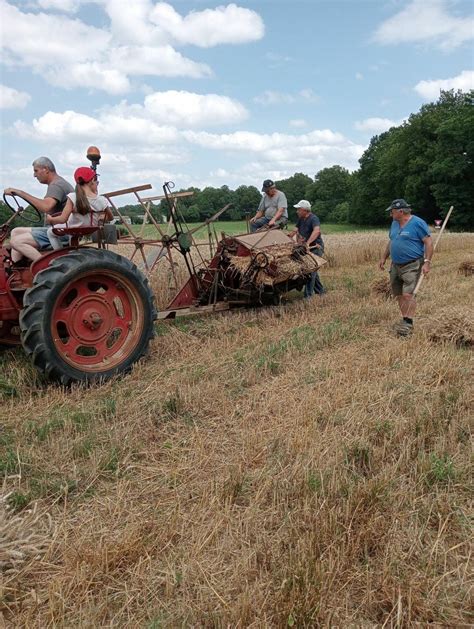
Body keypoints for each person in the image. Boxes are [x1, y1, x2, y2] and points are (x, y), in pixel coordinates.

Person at [378, 198, 433, 336]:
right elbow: (391, 241)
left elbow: (428, 242)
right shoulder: (394, 224)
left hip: (413, 264)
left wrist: (427, 262)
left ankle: (409, 323)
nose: (391, 214)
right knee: (399, 294)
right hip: (395, 265)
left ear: (400, 211)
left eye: (392, 211)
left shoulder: (417, 223)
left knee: (408, 294)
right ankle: (405, 319)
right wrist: (384, 257)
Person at [5, 157, 73, 263]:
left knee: (15, 241)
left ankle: (45, 266)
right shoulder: (58, 183)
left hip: (59, 233)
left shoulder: (56, 185)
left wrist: (20, 193)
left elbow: (45, 206)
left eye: (36, 171)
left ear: (46, 169)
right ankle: (17, 267)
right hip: (56, 229)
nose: (34, 175)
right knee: (15, 231)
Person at [46, 167, 113, 250]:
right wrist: (100, 217)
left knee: (50, 232)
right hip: (91, 228)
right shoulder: (102, 200)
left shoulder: (72, 197)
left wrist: (51, 219)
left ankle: (60, 253)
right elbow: (110, 217)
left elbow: (63, 219)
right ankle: (73, 249)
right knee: (72, 232)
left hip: (74, 227)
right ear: (92, 180)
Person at [288, 200, 325, 298]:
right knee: (312, 271)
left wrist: (307, 243)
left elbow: (316, 231)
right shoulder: (301, 219)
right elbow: (295, 230)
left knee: (311, 271)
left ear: (305, 210)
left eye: (298, 209)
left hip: (315, 247)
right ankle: (321, 291)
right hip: (305, 248)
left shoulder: (314, 219)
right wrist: (288, 236)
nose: (297, 211)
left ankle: (307, 297)